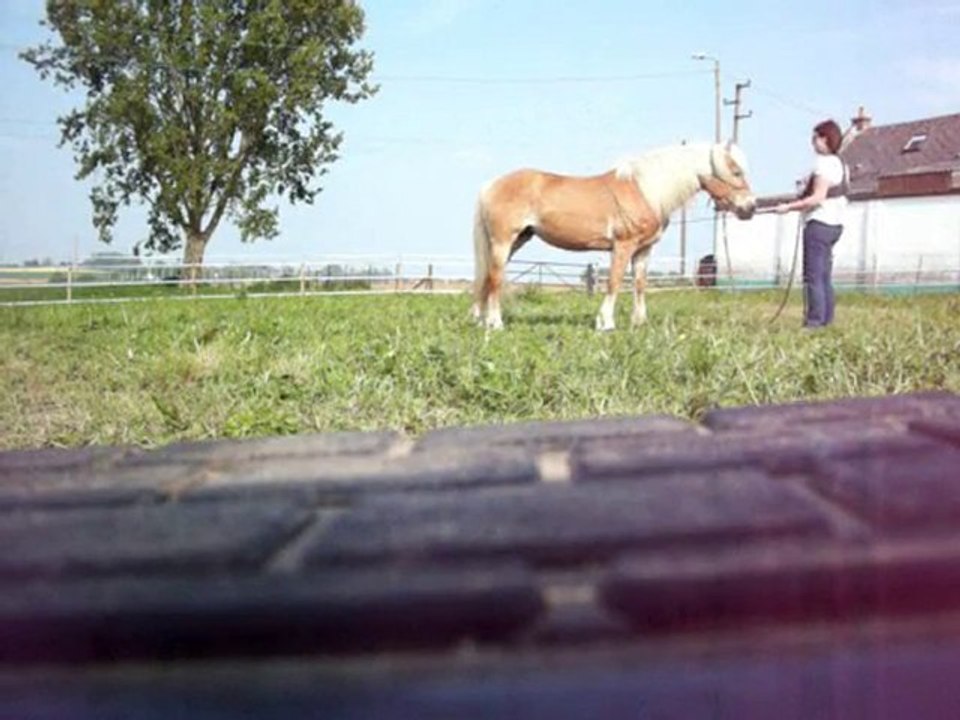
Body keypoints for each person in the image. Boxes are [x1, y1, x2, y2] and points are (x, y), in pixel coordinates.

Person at [775, 120, 848, 328]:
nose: (812, 142)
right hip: (835, 225)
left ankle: (814, 322)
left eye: (815, 137)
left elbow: (817, 197)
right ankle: (826, 320)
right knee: (824, 276)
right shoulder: (841, 164)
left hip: (819, 223)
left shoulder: (822, 164)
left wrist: (788, 207)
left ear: (824, 139)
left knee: (813, 276)